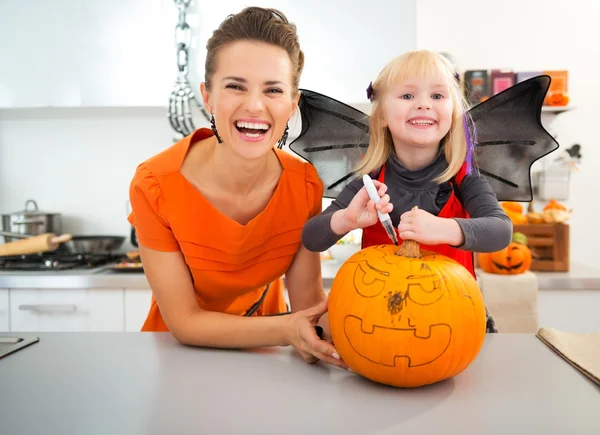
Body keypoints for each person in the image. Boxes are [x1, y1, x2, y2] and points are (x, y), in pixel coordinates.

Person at [128, 6, 347, 369]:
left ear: (292, 106)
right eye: (235, 86)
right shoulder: (155, 185)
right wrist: (287, 331)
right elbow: (184, 322)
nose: (255, 105)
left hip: (268, 363)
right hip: (176, 363)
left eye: (273, 90)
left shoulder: (304, 184)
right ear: (208, 97)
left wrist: (374, 340)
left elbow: (308, 304)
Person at [301, 50, 513, 333]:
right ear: (382, 117)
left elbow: (501, 230)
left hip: (454, 322)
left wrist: (447, 229)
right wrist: (346, 220)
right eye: (408, 96)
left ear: (452, 112)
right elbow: (311, 238)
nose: (423, 105)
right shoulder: (370, 183)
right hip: (380, 322)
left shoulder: (465, 180)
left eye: (437, 96)